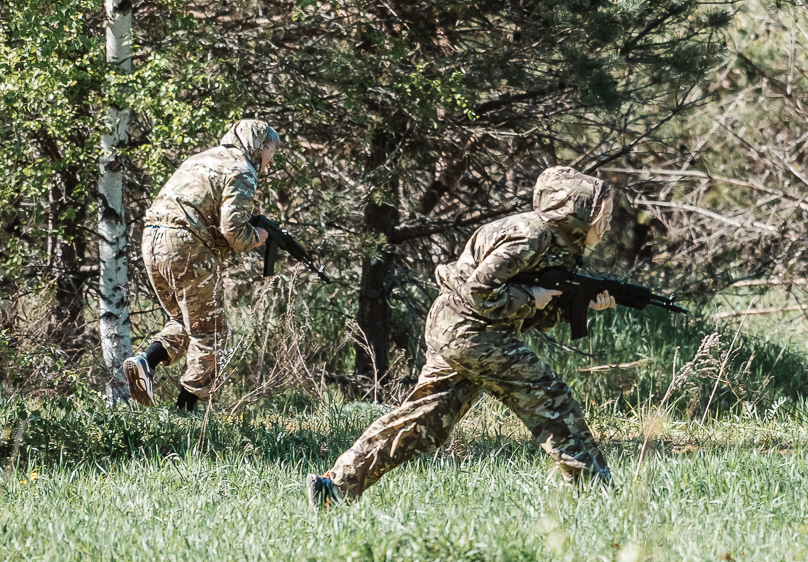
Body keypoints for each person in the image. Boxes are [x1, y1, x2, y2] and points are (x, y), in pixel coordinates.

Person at [308, 165, 619, 506]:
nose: (606, 226)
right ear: (577, 210)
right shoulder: (533, 235)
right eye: (601, 216)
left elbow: (526, 308)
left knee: (424, 421)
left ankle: (335, 487)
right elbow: (480, 291)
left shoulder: (550, 238)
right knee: (550, 399)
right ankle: (597, 493)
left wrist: (576, 304)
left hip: (456, 329)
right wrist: (533, 298)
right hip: (473, 333)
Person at [123, 118, 281, 410]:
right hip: (187, 245)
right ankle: (186, 410)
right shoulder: (241, 169)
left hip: (152, 240)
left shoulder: (201, 159)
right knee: (212, 330)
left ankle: (146, 361)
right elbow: (233, 231)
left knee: (186, 321)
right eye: (271, 150)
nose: (271, 159)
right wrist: (257, 237)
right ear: (257, 146)